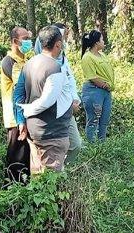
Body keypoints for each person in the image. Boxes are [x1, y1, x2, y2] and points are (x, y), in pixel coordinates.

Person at [13, 26, 72, 173]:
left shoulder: (28, 64)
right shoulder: (55, 67)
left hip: (34, 130)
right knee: (52, 180)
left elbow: (18, 95)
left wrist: (21, 120)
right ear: (58, 44)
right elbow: (47, 101)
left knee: (38, 174)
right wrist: (27, 111)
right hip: (52, 131)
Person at [0, 27, 32, 184]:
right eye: (25, 38)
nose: (28, 41)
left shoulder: (25, 60)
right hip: (15, 118)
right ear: (15, 41)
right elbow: (21, 88)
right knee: (15, 158)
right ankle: (11, 194)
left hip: (25, 116)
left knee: (25, 158)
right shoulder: (9, 61)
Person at [51, 23, 83, 164]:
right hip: (52, 111)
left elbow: (70, 80)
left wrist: (75, 99)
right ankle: (52, 177)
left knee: (75, 144)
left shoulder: (64, 59)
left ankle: (64, 171)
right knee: (54, 147)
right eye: (62, 37)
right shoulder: (44, 62)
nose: (64, 41)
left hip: (67, 110)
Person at [80, 30, 115, 143]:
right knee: (93, 120)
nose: (104, 41)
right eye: (102, 39)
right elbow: (92, 77)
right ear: (96, 43)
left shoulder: (102, 55)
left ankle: (102, 144)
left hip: (106, 92)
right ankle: (92, 145)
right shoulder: (87, 57)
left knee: (104, 121)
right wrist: (105, 86)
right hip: (94, 91)